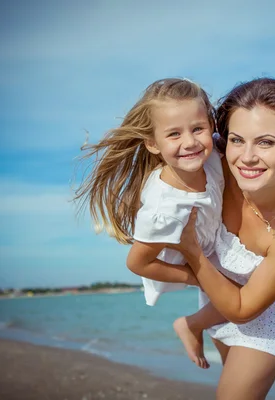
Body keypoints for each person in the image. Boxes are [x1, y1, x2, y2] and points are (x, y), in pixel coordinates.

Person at [171, 77, 275, 399]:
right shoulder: (218, 157)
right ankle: (193, 322)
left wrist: (192, 251)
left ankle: (193, 323)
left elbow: (243, 309)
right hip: (220, 283)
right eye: (237, 140)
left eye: (265, 143)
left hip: (273, 308)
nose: (246, 158)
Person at [73, 78, 230, 369]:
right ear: (153, 144)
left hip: (216, 247)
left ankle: (204, 334)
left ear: (211, 125)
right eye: (174, 134)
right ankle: (189, 325)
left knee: (233, 327)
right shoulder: (165, 206)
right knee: (239, 298)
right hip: (189, 262)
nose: (190, 142)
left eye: (198, 128)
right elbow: (137, 263)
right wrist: (194, 276)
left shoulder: (214, 156)